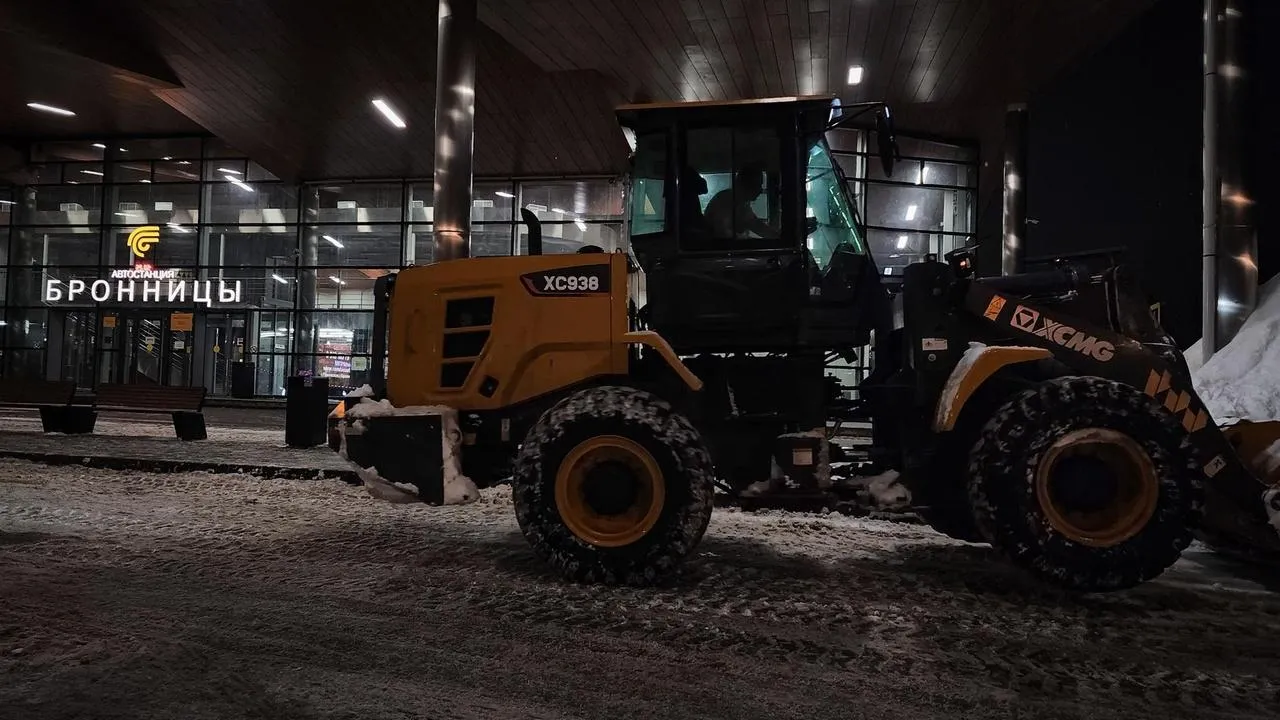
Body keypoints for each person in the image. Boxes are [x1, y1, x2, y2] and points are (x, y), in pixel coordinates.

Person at [703, 164, 776, 239]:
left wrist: (777, 236)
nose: (760, 190)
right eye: (757, 185)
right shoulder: (725, 201)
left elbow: (757, 225)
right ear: (746, 184)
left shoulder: (741, 203)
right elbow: (722, 233)